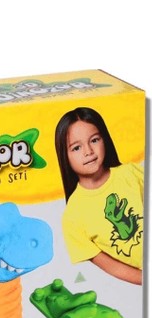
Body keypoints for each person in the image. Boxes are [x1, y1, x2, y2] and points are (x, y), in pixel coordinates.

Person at [55, 107, 143, 285]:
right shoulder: (72, 215)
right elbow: (113, 267)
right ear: (65, 155)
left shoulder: (131, 173)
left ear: (104, 139)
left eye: (94, 140)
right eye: (76, 147)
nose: (88, 151)